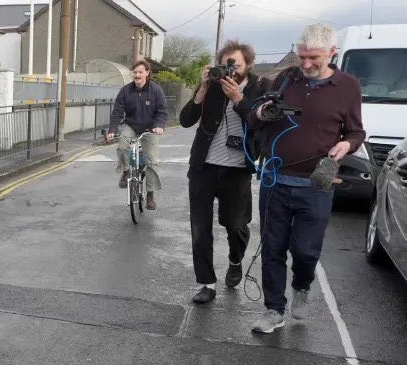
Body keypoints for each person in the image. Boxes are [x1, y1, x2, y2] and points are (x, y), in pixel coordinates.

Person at [248, 23, 364, 334]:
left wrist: (347, 144)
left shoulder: (348, 86)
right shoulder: (286, 78)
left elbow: (356, 131)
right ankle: (274, 310)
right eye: (302, 57)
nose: (307, 64)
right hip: (275, 180)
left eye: (315, 58)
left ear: (332, 53)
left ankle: (302, 285)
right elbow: (254, 114)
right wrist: (261, 112)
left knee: (305, 250)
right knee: (272, 248)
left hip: (315, 185)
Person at [179, 41, 268, 305]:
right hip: (203, 167)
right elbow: (185, 120)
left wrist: (238, 99)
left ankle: (235, 259)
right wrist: (202, 89)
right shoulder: (213, 85)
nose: (230, 70)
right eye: (225, 64)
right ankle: (206, 283)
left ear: (248, 65)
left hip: (237, 170)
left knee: (236, 224)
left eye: (235, 65)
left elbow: (261, 124)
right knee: (200, 228)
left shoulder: (260, 88)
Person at [106, 60, 167, 210]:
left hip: (150, 128)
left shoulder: (156, 90)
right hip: (131, 125)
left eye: (140, 72)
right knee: (122, 146)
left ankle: (150, 195)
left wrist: (159, 126)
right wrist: (112, 130)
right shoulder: (125, 90)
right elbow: (117, 112)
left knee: (151, 161)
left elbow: (162, 111)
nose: (137, 75)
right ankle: (126, 171)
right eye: (135, 72)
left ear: (147, 73)